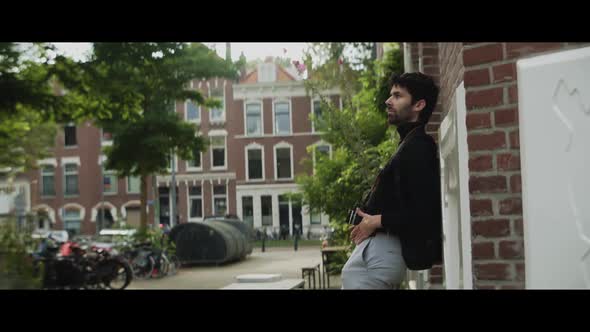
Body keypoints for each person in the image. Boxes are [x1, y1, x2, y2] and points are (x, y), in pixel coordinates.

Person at [341, 72, 443, 289]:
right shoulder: (408, 143)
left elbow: (424, 212)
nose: (388, 101)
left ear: (418, 105)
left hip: (382, 256)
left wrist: (375, 221)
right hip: (378, 255)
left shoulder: (419, 147)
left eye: (397, 96)